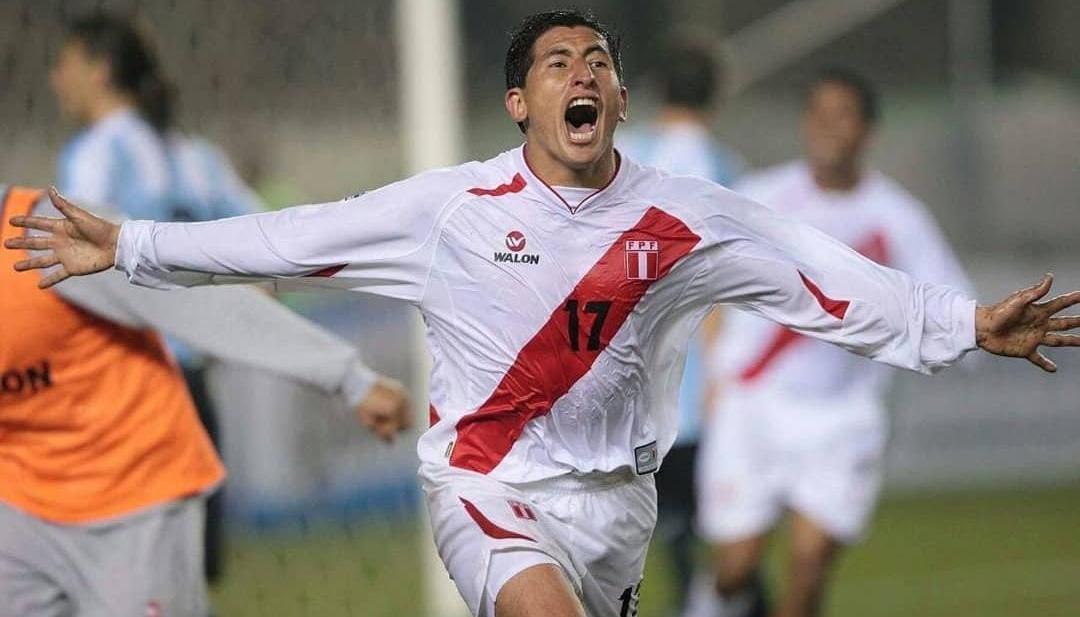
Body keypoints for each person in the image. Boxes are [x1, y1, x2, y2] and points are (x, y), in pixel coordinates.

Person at [8, 10, 1080, 617]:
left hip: (617, 507)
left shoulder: (683, 213)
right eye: (557, 62)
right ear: (521, 101)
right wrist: (134, 243)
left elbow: (814, 271)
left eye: (599, 62)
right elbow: (292, 238)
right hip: (487, 488)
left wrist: (961, 324)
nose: (582, 73)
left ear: (616, 99)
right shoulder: (451, 208)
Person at [0, 186, 410, 617]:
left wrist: (348, 377)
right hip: (19, 508)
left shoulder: (43, 233)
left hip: (135, 499)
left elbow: (202, 304)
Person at [687, 69, 974, 617]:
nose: (825, 128)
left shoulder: (897, 217)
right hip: (752, 407)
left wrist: (978, 329)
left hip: (842, 418)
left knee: (810, 562)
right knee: (735, 567)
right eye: (816, 114)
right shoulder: (763, 196)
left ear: (867, 131)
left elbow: (949, 301)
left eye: (840, 115)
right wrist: (714, 369)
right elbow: (705, 278)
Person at [50, 11, 265, 584]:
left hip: (122, 384)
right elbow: (268, 236)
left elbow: (72, 268)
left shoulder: (98, 153)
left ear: (99, 72)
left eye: (65, 64)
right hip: (188, 384)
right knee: (186, 576)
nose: (56, 79)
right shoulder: (192, 157)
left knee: (113, 575)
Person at [617, 40, 743, 614]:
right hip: (696, 388)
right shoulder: (721, 168)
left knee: (655, 525)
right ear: (715, 98)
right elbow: (727, 281)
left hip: (620, 379)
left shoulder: (621, 154)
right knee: (719, 530)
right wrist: (724, 372)